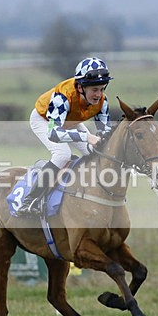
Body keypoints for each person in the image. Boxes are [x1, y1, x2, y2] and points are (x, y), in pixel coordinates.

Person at [17, 57, 113, 215]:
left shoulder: (103, 101)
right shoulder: (62, 97)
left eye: (102, 89)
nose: (99, 95)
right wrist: (87, 137)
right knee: (63, 154)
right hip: (44, 120)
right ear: (81, 87)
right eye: (94, 90)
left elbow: (105, 135)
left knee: (95, 153)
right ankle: (30, 200)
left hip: (70, 119)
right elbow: (54, 133)